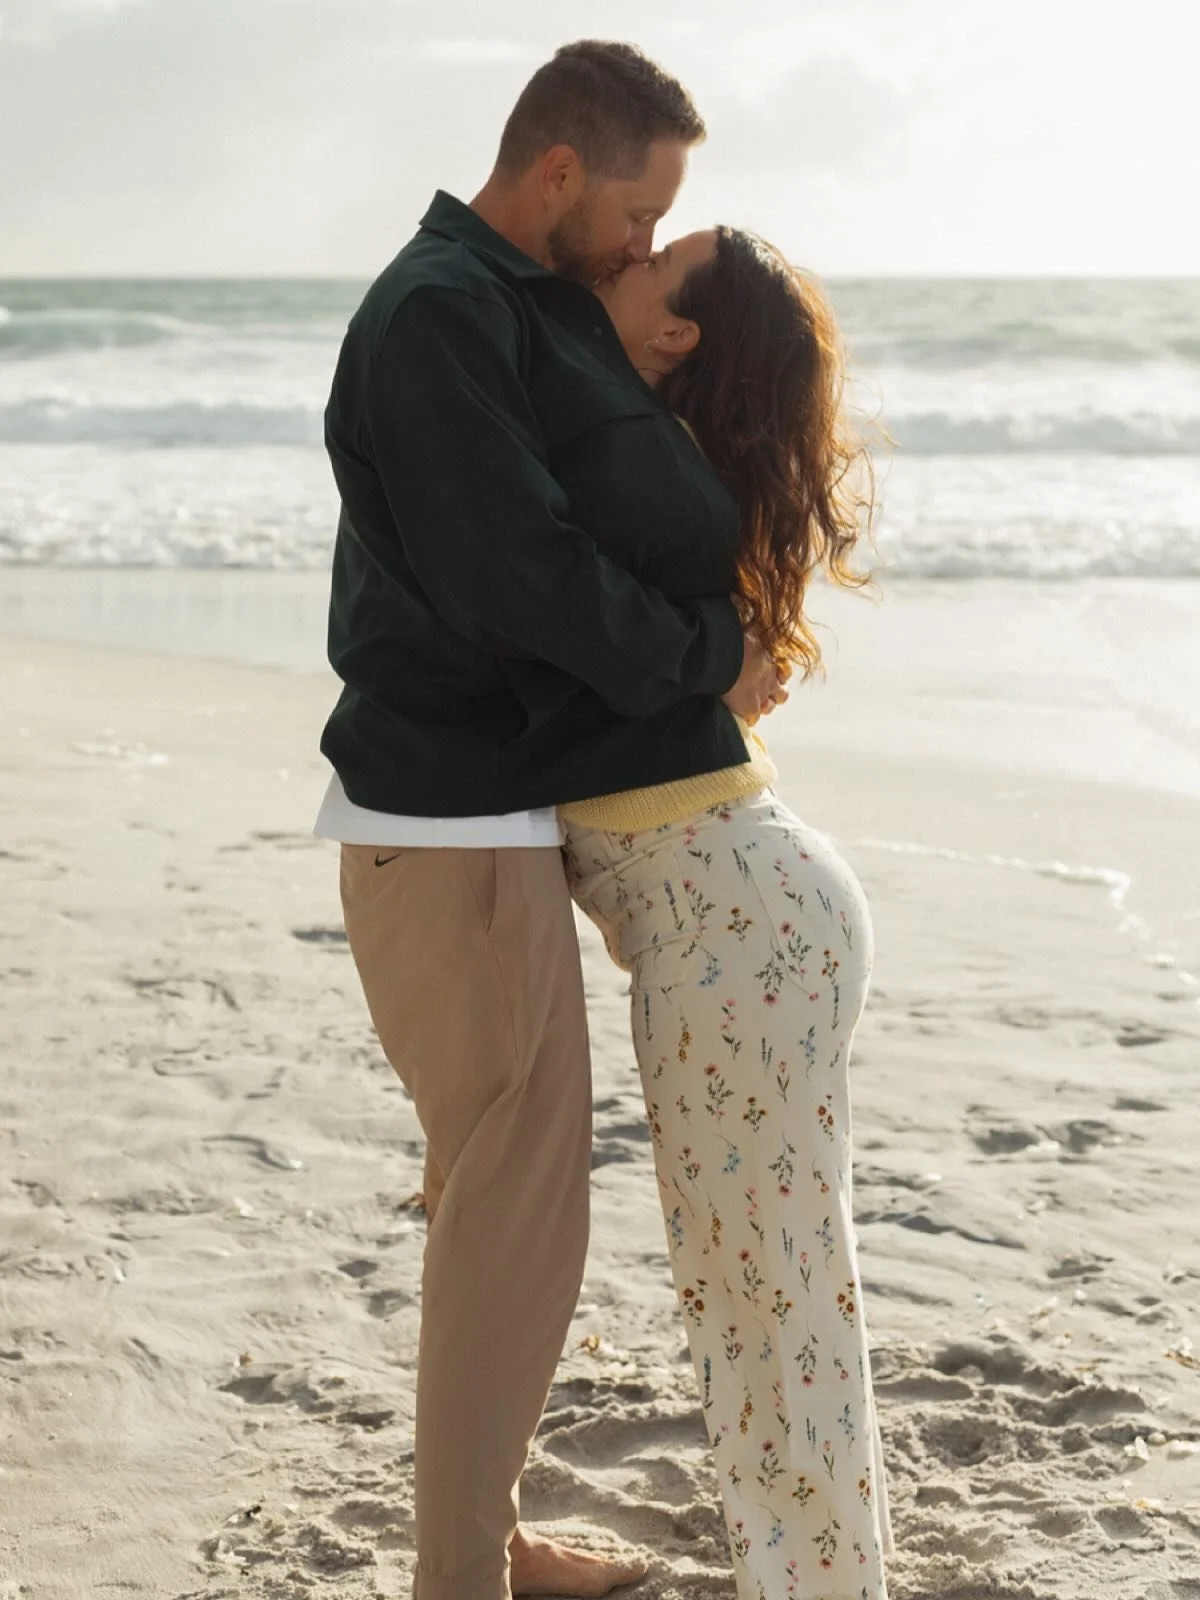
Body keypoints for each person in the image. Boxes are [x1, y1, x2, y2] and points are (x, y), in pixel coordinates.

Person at [314, 40, 782, 1600]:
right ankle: (465, 1578)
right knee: (513, 1229)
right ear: (560, 171)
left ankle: (486, 1545)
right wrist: (711, 656)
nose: (649, 247)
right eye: (640, 212)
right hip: (449, 832)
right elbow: (520, 577)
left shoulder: (499, 306)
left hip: (472, 822)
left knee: (497, 1210)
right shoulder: (444, 312)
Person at [555, 227, 894, 1600]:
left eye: (654, 263)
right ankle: (816, 1573)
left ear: (680, 335)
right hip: (755, 918)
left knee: (772, 1301)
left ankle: (821, 1583)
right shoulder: (652, 489)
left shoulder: (645, 491)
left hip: (744, 930)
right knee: (765, 1295)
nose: (622, 262)